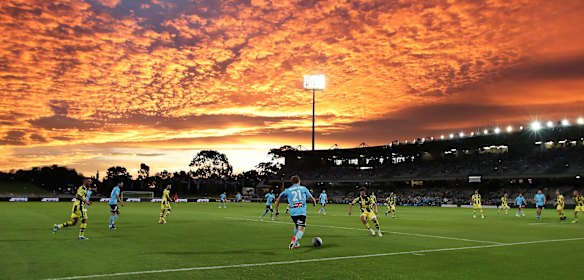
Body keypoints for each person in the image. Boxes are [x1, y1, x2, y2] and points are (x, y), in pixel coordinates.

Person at [274, 175, 316, 250]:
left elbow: (278, 199)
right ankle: (295, 239)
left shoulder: (288, 190)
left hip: (293, 213)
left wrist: (277, 210)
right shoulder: (303, 188)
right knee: (301, 229)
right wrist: (314, 203)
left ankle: (296, 243)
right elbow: (312, 199)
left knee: (296, 225)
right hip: (301, 211)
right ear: (299, 181)